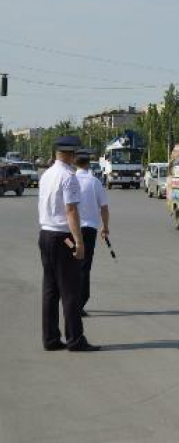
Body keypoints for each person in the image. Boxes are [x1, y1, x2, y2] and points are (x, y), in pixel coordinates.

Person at [37, 136, 98, 352]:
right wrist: (79, 241)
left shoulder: (46, 175)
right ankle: (75, 339)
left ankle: (51, 338)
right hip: (63, 236)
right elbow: (71, 210)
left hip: (45, 234)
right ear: (71, 154)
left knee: (50, 290)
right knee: (71, 290)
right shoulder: (68, 177)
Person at [74, 149, 110, 317]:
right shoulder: (94, 182)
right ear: (88, 164)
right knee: (84, 265)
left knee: (71, 265)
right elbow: (104, 207)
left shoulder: (70, 180)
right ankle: (79, 302)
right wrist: (105, 227)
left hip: (70, 230)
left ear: (75, 163)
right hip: (88, 230)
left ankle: (70, 301)